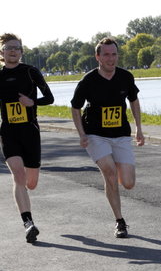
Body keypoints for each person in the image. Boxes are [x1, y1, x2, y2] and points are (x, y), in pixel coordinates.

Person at [71, 38, 144, 238]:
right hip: (95, 134)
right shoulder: (88, 81)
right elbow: (75, 107)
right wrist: (82, 134)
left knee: (128, 182)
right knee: (110, 173)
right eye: (106, 55)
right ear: (98, 57)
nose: (111, 59)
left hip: (120, 134)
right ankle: (120, 221)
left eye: (114, 54)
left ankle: (114, 182)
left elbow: (134, 101)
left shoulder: (125, 77)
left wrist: (138, 128)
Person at [0, 33, 54, 243]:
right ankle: (28, 223)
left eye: (16, 48)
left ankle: (28, 215)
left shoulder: (31, 72)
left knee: (31, 183)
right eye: (8, 48)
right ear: (2, 53)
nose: (13, 51)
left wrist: (33, 102)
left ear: (21, 52)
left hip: (30, 131)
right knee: (18, 177)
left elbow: (49, 98)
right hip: (9, 131)